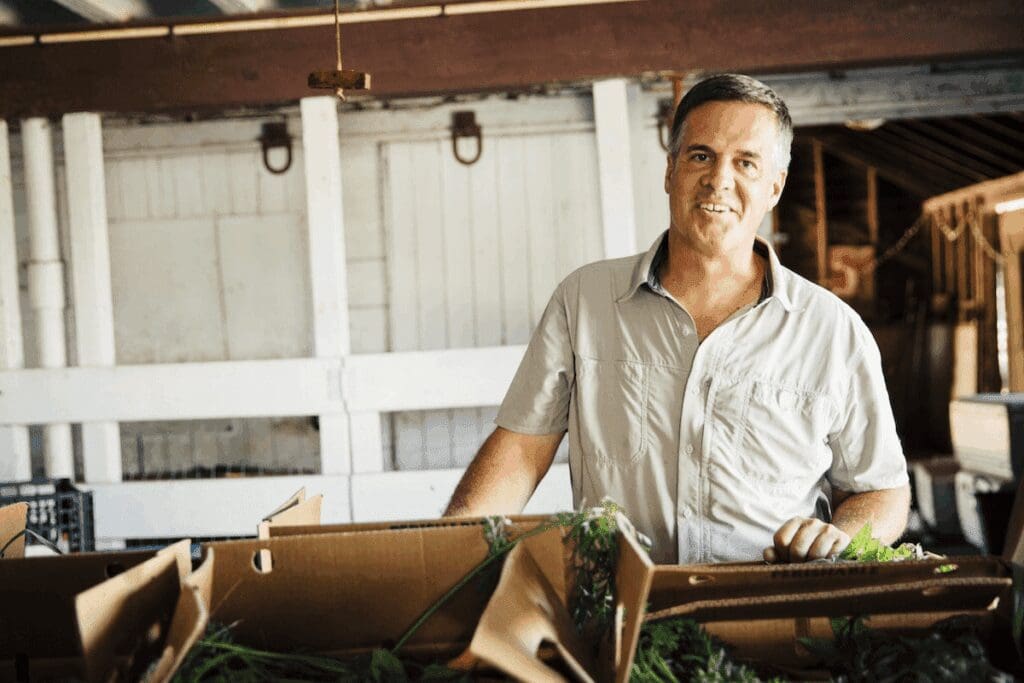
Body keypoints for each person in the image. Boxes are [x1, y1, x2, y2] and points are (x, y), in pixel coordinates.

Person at [444, 74, 910, 564]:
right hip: (620, 614)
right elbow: (521, 451)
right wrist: (443, 562)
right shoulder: (585, 301)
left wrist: (840, 537)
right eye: (700, 156)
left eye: (746, 163)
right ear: (670, 171)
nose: (719, 180)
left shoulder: (832, 331)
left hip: (770, 612)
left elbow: (881, 491)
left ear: (775, 186)